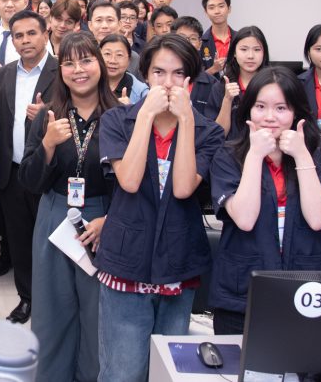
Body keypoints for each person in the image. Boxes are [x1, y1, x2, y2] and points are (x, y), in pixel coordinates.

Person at [95, 33, 224, 382]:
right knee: (122, 372)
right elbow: (129, 180)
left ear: (190, 80)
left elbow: (183, 188)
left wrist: (186, 121)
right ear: (146, 75)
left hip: (178, 258)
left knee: (169, 369)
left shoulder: (208, 132)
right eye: (159, 73)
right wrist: (146, 117)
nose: (168, 83)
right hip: (127, 258)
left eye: (178, 74)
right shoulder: (116, 120)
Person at [209, 67, 321, 334]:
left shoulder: (317, 151)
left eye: (281, 108)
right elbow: (244, 219)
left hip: (304, 291)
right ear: (248, 110)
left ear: (296, 113)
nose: (270, 117)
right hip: (242, 293)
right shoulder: (228, 155)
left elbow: (318, 219)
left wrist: (302, 156)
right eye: (260, 107)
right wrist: (255, 156)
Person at [20, 32, 119, 382]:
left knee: (97, 313)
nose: (79, 70)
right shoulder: (47, 116)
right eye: (69, 63)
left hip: (101, 221)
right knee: (52, 310)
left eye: (86, 60)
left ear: (100, 65)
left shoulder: (121, 117)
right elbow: (29, 182)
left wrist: (110, 219)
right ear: (60, 69)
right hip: (54, 216)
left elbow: (133, 182)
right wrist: (47, 145)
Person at [0, 10, 59, 324]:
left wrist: (48, 113)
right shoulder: (4, 74)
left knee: (51, 242)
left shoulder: (63, 71)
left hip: (50, 172)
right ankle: (27, 298)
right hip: (14, 172)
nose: (25, 40)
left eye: (32, 33)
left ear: (46, 34)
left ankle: (55, 302)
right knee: (20, 241)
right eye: (18, 35)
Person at [209, 25, 270, 137]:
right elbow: (217, 136)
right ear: (234, 53)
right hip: (230, 148)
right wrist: (227, 100)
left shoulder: (273, 87)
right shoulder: (220, 87)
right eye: (244, 49)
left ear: (264, 53)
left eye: (257, 50)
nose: (250, 56)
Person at [99, 34, 148, 106]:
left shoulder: (141, 92)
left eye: (119, 55)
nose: (112, 61)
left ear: (129, 60)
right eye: (107, 54)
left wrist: (131, 109)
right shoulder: (89, 82)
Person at [199, 0, 235, 76]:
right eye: (211, 8)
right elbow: (195, 77)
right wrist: (213, 69)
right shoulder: (200, 42)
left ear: (229, 9)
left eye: (221, 6)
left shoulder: (240, 39)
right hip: (210, 85)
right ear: (206, 12)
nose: (217, 11)